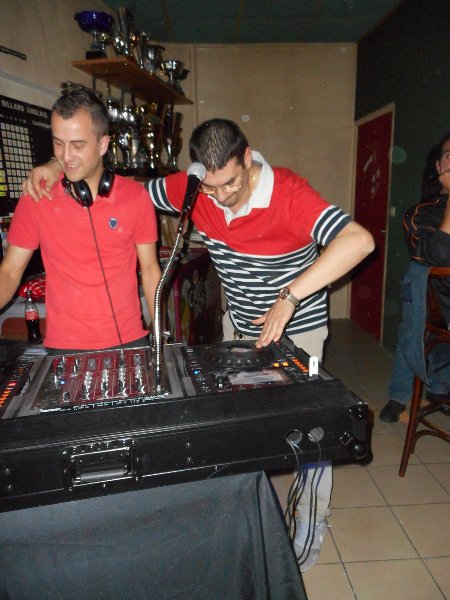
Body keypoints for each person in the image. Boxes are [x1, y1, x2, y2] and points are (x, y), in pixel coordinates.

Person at [23, 118, 374, 569]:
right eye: (211, 187)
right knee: (243, 427)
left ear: (246, 159)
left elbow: (359, 241)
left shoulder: (289, 194)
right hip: (240, 332)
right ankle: (252, 515)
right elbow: (115, 183)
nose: (221, 196)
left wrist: (288, 297)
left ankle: (312, 516)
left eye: (230, 184)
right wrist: (57, 164)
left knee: (311, 431)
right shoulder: (191, 189)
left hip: (299, 328)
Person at [1, 89, 161, 352]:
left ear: (103, 145)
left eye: (77, 145)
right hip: (64, 347)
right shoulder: (37, 197)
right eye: (58, 143)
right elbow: (8, 273)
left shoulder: (135, 197)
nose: (66, 156)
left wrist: (161, 335)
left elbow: (151, 270)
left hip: (129, 341)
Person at [380, 134, 450, 422]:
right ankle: (399, 396)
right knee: (411, 331)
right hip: (427, 292)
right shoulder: (421, 212)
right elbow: (440, 254)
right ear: (438, 166)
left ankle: (440, 389)